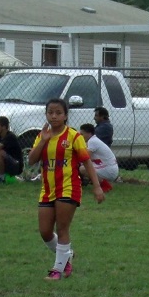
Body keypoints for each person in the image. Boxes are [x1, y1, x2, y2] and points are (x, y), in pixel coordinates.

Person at [29, 99, 105, 281]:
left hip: (68, 188)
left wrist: (97, 187)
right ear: (46, 114)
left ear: (65, 115)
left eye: (58, 113)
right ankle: (66, 256)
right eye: (50, 112)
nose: (54, 116)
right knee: (45, 231)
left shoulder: (73, 136)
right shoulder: (42, 135)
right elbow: (31, 160)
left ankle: (57, 269)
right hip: (47, 189)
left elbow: (87, 161)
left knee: (62, 228)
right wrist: (43, 142)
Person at [79, 123, 119, 193]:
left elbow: (85, 157)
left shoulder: (92, 141)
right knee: (84, 166)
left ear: (89, 133)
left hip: (109, 170)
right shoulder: (93, 140)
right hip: (108, 168)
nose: (80, 136)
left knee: (83, 169)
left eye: (82, 134)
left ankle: (105, 185)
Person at [0, 115, 24, 183]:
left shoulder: (10, 136)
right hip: (6, 163)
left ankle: (2, 178)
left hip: (16, 165)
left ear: (4, 127)